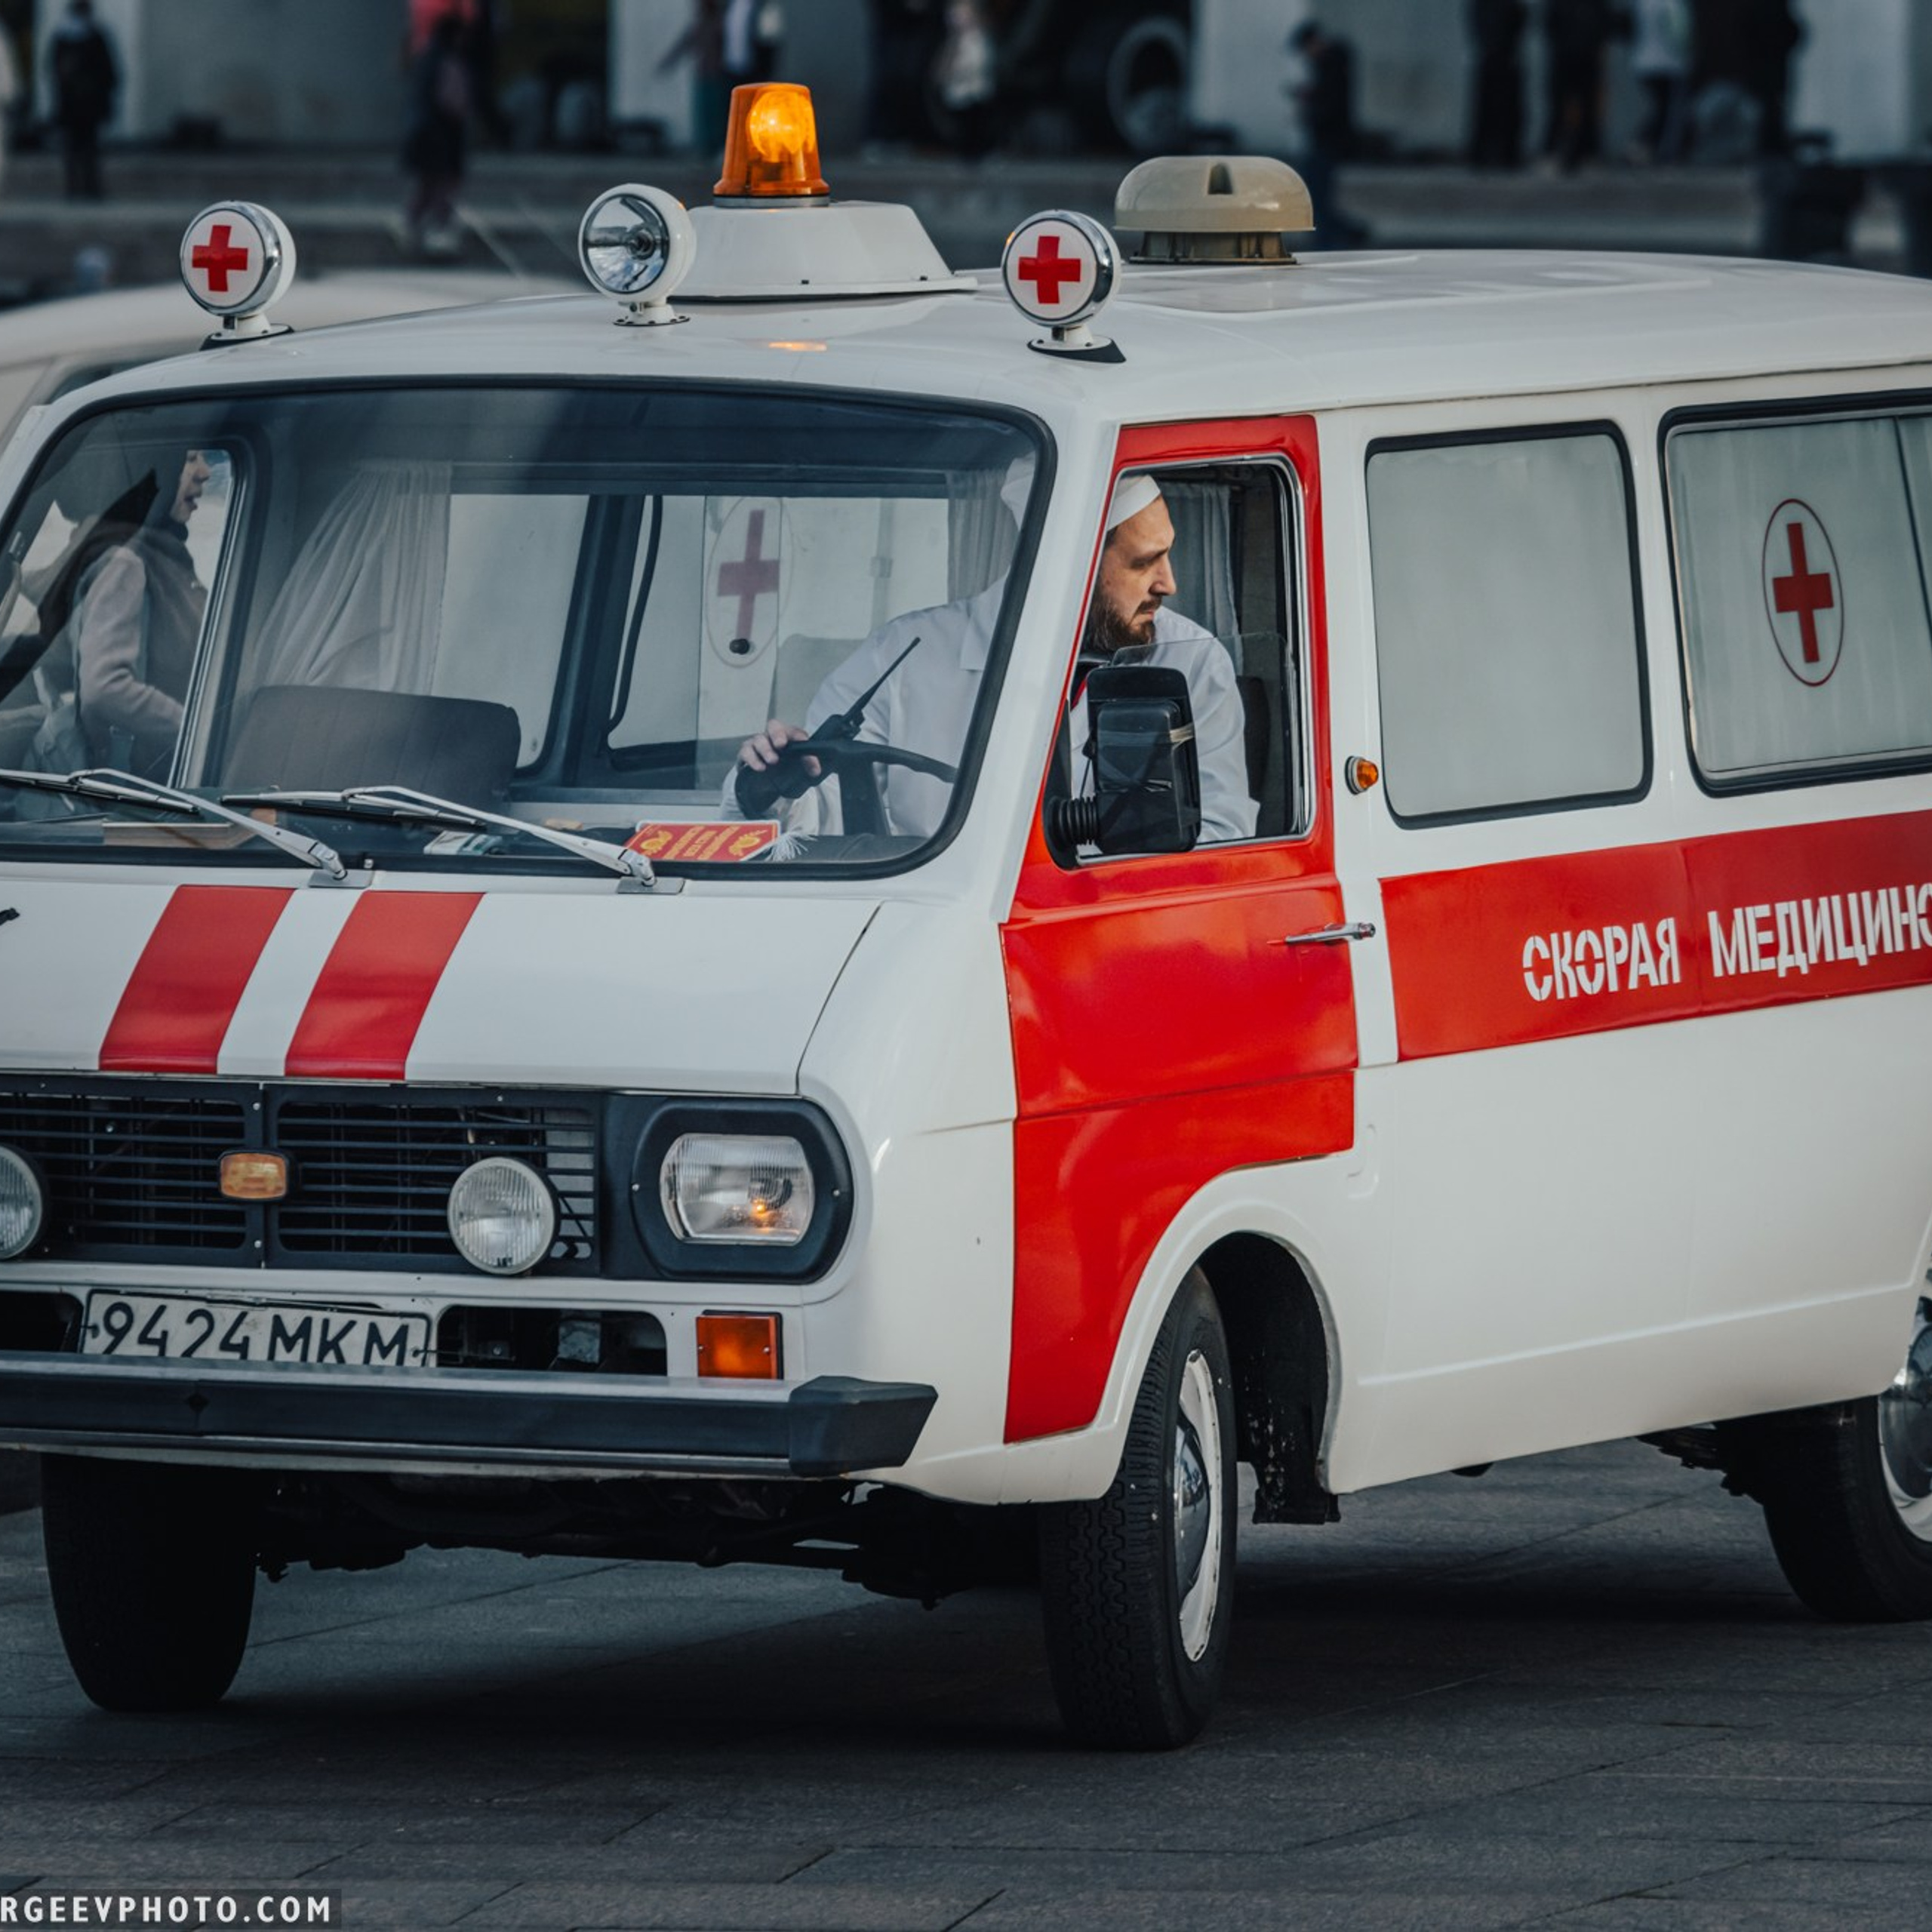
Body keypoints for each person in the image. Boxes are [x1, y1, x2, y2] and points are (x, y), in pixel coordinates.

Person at [729, 473, 1257, 848]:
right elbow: (824, 824)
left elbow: (1222, 832)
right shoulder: (901, 657)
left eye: (1166, 555)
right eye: (1145, 563)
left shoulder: (1192, 662)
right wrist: (781, 784)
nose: (1170, 583)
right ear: (1068, 561)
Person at [37, 452, 213, 780]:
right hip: (142, 791)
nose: (205, 471)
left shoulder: (158, 555)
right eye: (188, 458)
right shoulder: (125, 562)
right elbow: (105, 688)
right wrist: (204, 734)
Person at [1287, 22, 1368, 248]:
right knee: (1319, 193)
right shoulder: (1331, 64)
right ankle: (1345, 232)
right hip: (1327, 139)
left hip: (1328, 139)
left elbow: (1330, 105)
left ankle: (1331, 237)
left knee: (1317, 193)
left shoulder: (1331, 65)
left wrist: (1310, 104)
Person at [402, 13, 472, 256]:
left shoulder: (424, 59)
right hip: (441, 134)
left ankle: (412, 228)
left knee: (425, 186)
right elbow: (452, 102)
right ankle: (438, 232)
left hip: (422, 132)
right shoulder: (448, 61)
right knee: (442, 186)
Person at [47, 0, 115, 202]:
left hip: (88, 105)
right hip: (72, 104)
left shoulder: (96, 38)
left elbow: (108, 72)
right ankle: (75, 187)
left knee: (89, 148)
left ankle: (89, 187)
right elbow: (54, 71)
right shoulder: (63, 39)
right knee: (73, 148)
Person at [1542, 0, 1619, 174]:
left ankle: (1582, 152)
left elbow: (1605, 25)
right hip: (1567, 58)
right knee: (1562, 107)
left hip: (1582, 59)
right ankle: (1559, 151)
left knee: (1586, 107)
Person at [1467, 0, 1528, 170]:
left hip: (1499, 58)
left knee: (1496, 110)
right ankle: (1496, 153)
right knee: (1494, 110)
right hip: (1499, 59)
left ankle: (1496, 153)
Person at [936, 0, 998, 163]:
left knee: (976, 124)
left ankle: (976, 152)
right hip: (958, 90)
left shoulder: (979, 39)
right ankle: (964, 152)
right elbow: (945, 64)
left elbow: (982, 62)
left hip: (976, 89)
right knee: (960, 123)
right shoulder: (953, 41)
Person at [1631, 0, 1692, 162]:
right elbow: (1681, 33)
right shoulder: (1672, 4)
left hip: (1643, 62)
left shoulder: (1642, 4)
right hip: (1669, 63)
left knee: (1660, 108)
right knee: (1666, 111)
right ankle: (1651, 146)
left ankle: (1645, 146)